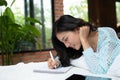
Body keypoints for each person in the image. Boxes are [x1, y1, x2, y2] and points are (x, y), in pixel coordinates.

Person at [47, 15, 120, 80]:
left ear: (77, 29)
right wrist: (56, 61)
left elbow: (99, 71)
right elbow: (67, 55)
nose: (67, 45)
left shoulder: (107, 36)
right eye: (63, 43)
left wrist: (84, 40)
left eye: (66, 39)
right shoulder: (78, 45)